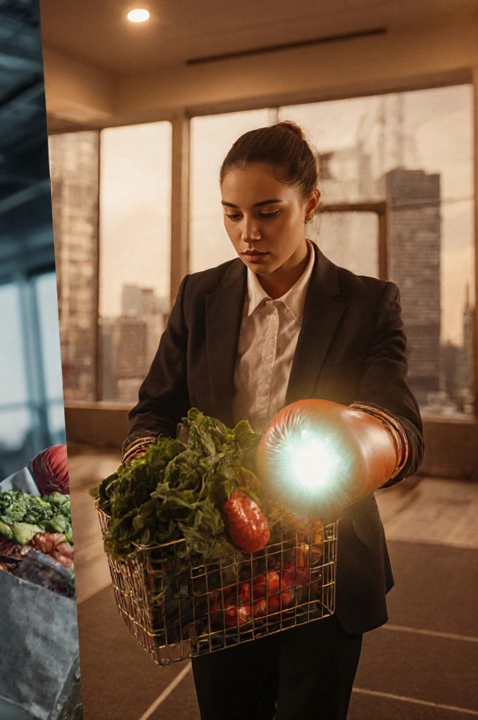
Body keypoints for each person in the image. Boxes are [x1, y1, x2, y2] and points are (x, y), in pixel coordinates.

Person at [124, 121, 424, 720]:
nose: (248, 233)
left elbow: (403, 428)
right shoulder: (199, 296)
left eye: (267, 212)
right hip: (218, 561)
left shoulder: (369, 302)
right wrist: (145, 479)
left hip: (327, 555)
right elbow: (154, 410)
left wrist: (362, 442)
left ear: (310, 203)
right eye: (231, 214)